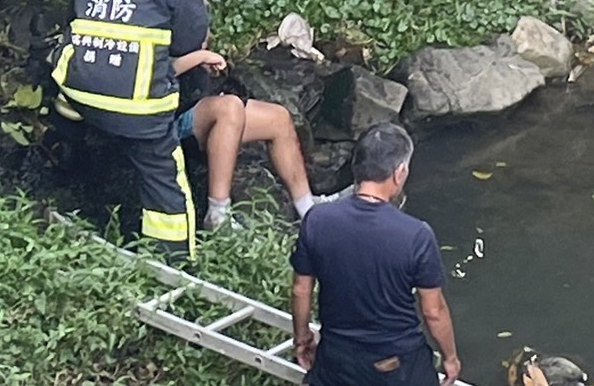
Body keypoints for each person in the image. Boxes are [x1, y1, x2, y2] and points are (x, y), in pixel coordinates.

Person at [51, 0, 209, 259]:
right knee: (164, 180)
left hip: (76, 99)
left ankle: (62, 160)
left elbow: (70, 18)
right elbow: (189, 41)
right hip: (139, 112)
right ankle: (172, 261)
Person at [290, 122, 460, 386]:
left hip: (336, 359)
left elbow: (301, 290)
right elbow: (433, 311)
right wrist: (450, 357)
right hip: (396, 366)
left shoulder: (317, 220)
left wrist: (302, 339)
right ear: (399, 173)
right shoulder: (416, 235)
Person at [172, 44, 350, 230]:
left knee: (279, 118)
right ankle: (218, 213)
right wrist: (200, 57)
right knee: (230, 108)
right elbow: (159, 73)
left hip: (199, 99)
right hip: (168, 115)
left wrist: (204, 65)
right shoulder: (150, 23)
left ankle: (308, 209)